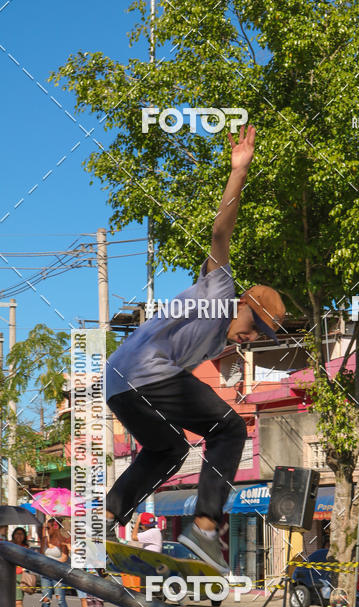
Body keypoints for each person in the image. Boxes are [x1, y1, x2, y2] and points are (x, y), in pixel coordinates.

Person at [104, 125, 286, 575]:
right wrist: (238, 173)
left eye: (263, 335)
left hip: (119, 381)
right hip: (143, 373)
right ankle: (205, 527)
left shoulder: (216, 338)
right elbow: (221, 231)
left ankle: (105, 518)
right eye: (256, 325)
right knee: (228, 429)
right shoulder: (221, 290)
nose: (253, 337)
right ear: (244, 304)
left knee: (168, 450)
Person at [130, 513, 168, 607]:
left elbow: (134, 537)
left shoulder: (153, 532)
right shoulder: (154, 531)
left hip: (153, 571)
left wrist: (137, 521)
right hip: (149, 570)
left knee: (155, 602)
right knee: (148, 601)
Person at [36, 517, 69, 607]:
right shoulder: (44, 540)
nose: (46, 530)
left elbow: (64, 558)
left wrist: (51, 565)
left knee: (60, 599)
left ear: (55, 528)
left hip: (57, 574)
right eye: (46, 527)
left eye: (48, 527)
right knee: (45, 600)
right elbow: (41, 556)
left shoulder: (62, 541)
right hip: (45, 574)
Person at [11, 527, 30, 607]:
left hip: (19, 575)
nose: (19, 536)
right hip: (8, 574)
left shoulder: (25, 547)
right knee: (7, 602)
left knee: (18, 602)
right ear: (13, 535)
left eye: (22, 534)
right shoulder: (8, 544)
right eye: (17, 534)